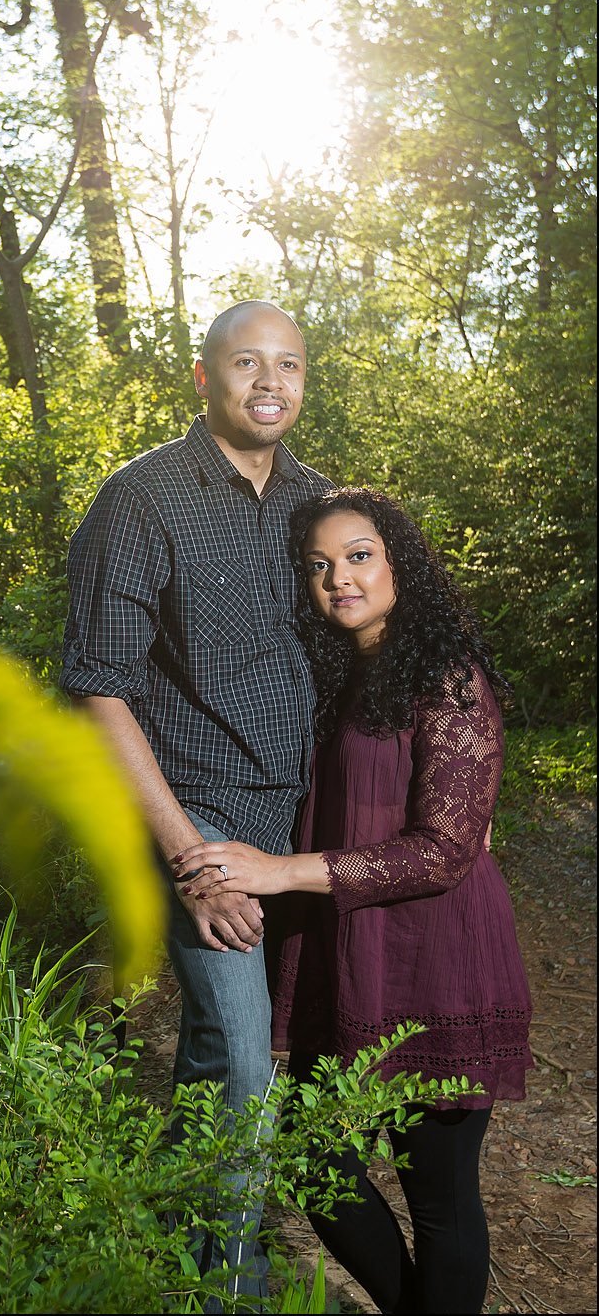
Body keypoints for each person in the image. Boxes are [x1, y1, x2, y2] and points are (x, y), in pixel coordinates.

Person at [174, 486, 534, 1315]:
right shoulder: (342, 673)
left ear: (400, 562)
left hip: (435, 964)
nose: (340, 578)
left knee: (439, 1202)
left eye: (360, 556)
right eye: (321, 566)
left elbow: (445, 849)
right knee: (310, 1161)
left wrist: (277, 871)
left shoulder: (449, 677)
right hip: (351, 963)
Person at [60, 300, 333, 1307]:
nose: (272, 382)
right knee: (248, 1063)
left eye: (291, 365)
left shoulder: (317, 501)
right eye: (248, 362)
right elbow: (98, 687)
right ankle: (235, 1287)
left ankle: (164, 1233)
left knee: (225, 1048)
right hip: (196, 813)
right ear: (201, 375)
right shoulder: (142, 498)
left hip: (300, 821)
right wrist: (188, 856)